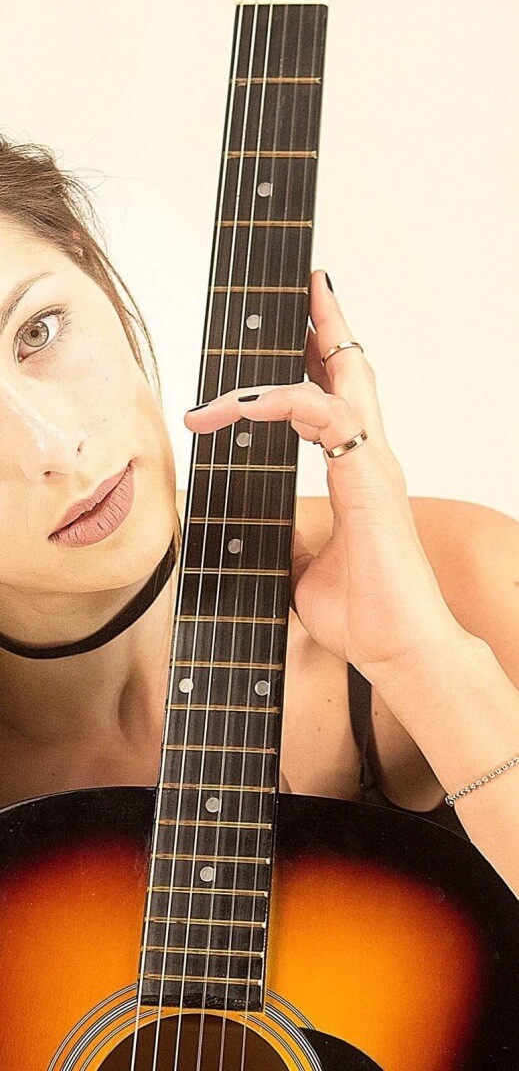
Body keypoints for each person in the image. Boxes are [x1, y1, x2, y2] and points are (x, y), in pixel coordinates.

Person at [0, 137, 517, 896]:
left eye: (36, 331)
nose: (54, 449)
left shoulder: (473, 580)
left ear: (85, 259)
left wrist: (423, 659)